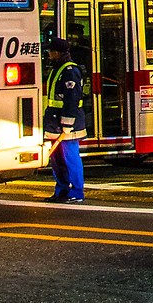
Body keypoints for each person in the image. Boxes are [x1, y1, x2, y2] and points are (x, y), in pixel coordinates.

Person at [47, 50, 89, 204]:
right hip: (55, 122)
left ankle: (77, 192)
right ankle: (62, 190)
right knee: (57, 160)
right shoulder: (58, 69)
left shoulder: (70, 71)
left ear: (57, 53)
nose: (49, 55)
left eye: (51, 52)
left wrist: (67, 124)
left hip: (68, 123)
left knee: (70, 158)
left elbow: (72, 98)